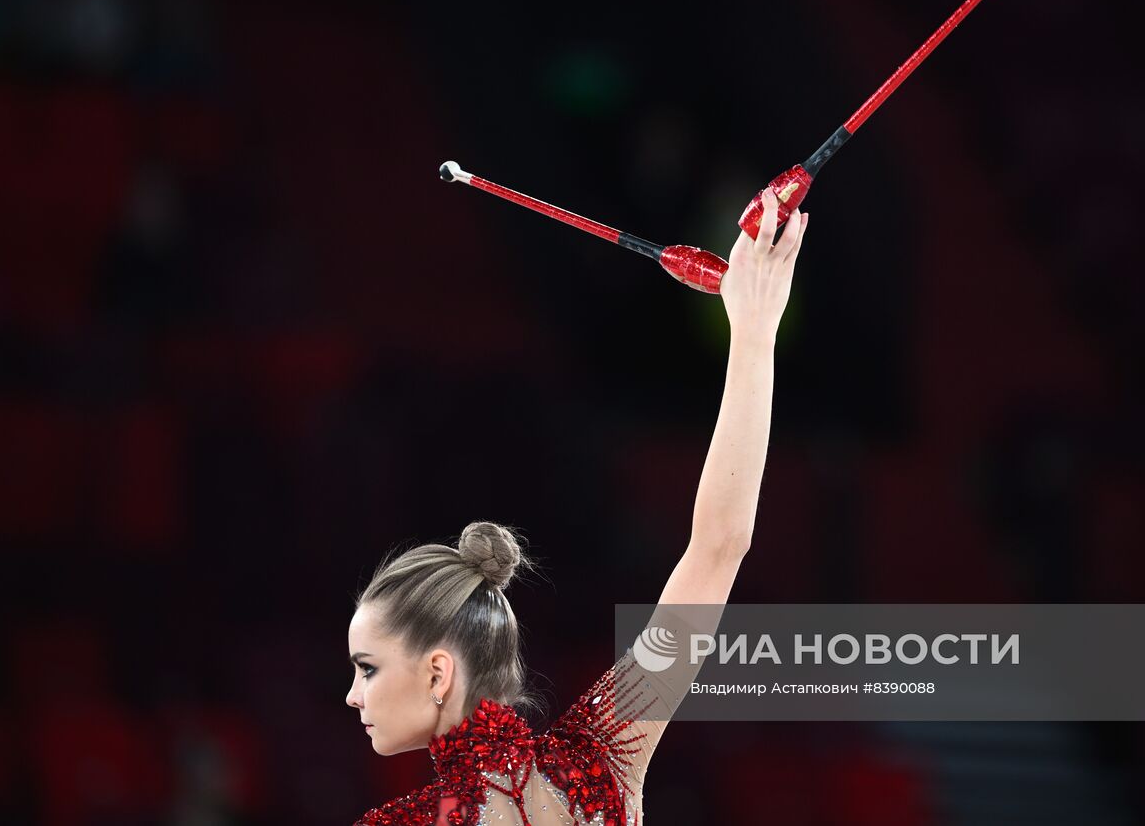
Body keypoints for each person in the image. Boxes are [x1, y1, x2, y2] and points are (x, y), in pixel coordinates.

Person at [346, 190, 808, 825]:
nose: (352, 696)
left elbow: (718, 545)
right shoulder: (600, 757)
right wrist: (754, 337)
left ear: (436, 673)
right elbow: (719, 546)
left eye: (367, 669)